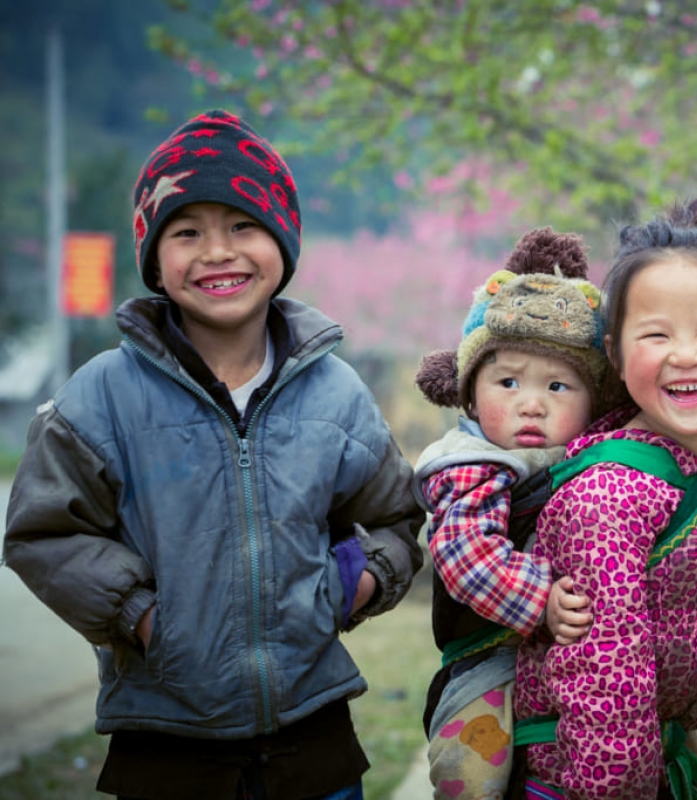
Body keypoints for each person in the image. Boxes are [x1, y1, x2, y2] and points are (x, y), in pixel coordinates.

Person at [2, 109, 426, 800]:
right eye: (186, 231)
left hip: (314, 744)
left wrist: (358, 583)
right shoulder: (103, 396)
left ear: (282, 243)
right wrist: (141, 616)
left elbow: (397, 519)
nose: (216, 252)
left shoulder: (336, 393)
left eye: (243, 226)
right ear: (155, 259)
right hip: (165, 747)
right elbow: (44, 532)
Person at [512, 198, 697, 799]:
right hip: (586, 772)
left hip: (665, 751)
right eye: (656, 335)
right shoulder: (604, 495)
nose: (686, 354)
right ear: (615, 353)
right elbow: (607, 674)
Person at [411, 227, 607, 800]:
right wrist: (540, 597)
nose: (531, 402)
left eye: (557, 385)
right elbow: (466, 554)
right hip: (487, 657)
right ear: (470, 395)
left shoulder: (591, 455)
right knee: (471, 764)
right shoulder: (473, 463)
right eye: (508, 381)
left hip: (566, 658)